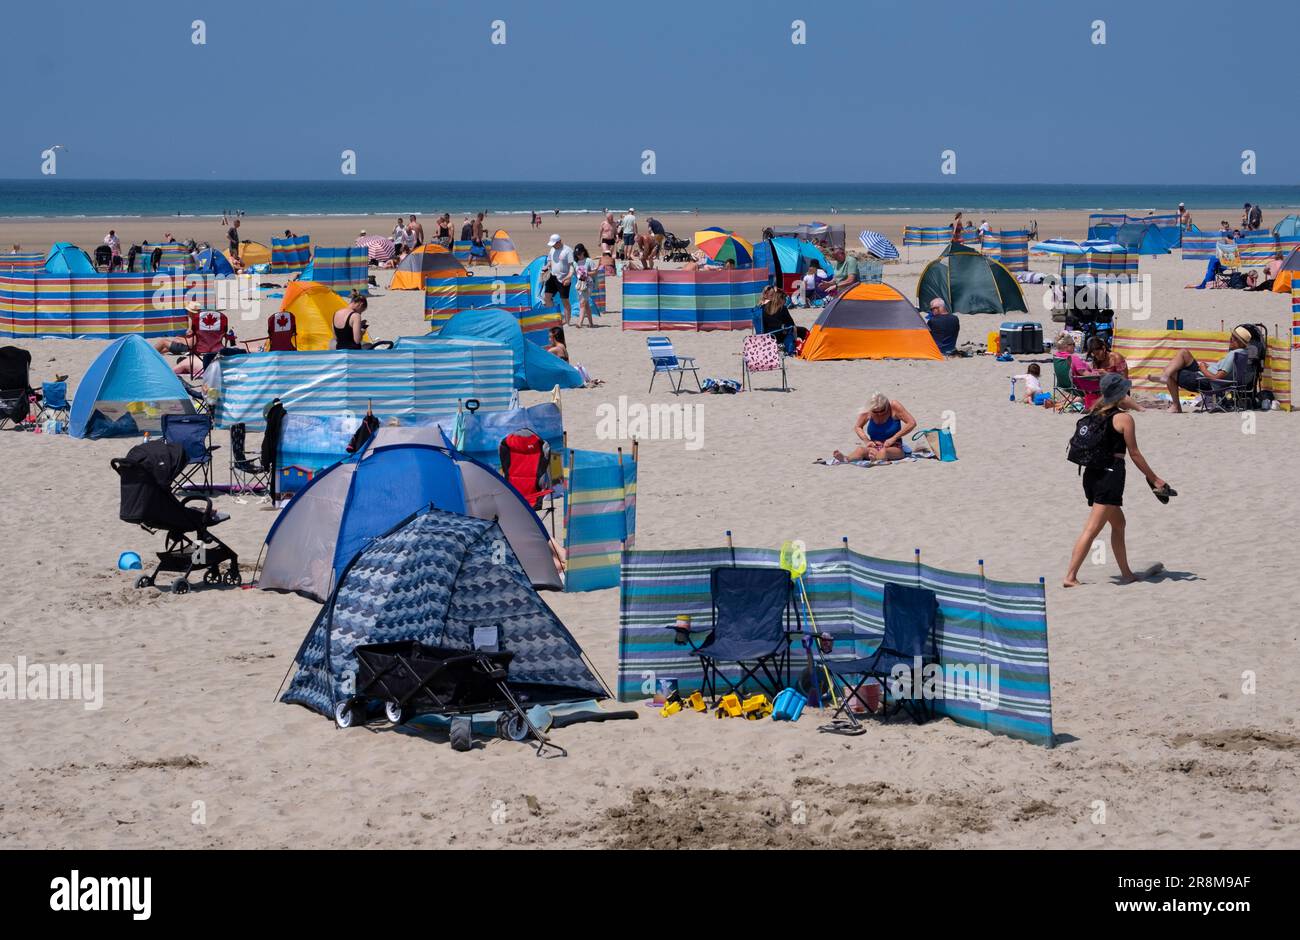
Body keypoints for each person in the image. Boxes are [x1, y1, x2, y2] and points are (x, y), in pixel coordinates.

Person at [1063, 373, 1169, 588]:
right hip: (1109, 476)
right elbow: (1135, 454)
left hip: (1091, 474)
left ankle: (1126, 573)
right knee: (1092, 529)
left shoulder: (1094, 412)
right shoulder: (1123, 418)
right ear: (1122, 394)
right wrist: (1155, 478)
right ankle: (1070, 576)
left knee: (1119, 524)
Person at [1153, 325, 1252, 413]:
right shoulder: (1243, 354)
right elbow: (1224, 372)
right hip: (1204, 376)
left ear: (1238, 342)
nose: (1230, 340)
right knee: (1184, 353)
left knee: (1172, 372)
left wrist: (1203, 368)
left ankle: (1176, 405)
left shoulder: (1233, 355)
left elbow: (1216, 378)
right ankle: (1165, 376)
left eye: (1232, 338)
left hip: (1204, 381)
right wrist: (1208, 367)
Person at [832, 392, 918, 464]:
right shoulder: (869, 409)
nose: (879, 414)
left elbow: (912, 423)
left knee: (884, 452)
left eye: (882, 410)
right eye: (875, 412)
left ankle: (876, 460)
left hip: (895, 447)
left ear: (887, 405)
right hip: (874, 447)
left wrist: (893, 438)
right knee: (860, 450)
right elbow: (858, 427)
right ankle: (846, 459)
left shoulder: (894, 406)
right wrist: (867, 441)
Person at [542, 234, 575, 324]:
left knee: (565, 301)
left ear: (559, 242)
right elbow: (550, 260)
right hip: (552, 276)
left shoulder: (568, 250)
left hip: (564, 278)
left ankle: (567, 322)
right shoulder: (552, 249)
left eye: (554, 244)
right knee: (546, 298)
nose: (553, 246)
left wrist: (569, 277)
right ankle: (559, 317)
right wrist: (547, 266)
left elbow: (572, 266)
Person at [571, 243, 597, 328]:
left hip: (588, 285)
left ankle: (579, 323)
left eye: (580, 254)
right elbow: (574, 273)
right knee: (586, 305)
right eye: (577, 254)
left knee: (582, 303)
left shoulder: (589, 261)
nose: (578, 256)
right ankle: (591, 323)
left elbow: (595, 272)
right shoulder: (575, 263)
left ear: (583, 252)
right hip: (580, 285)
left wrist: (586, 273)